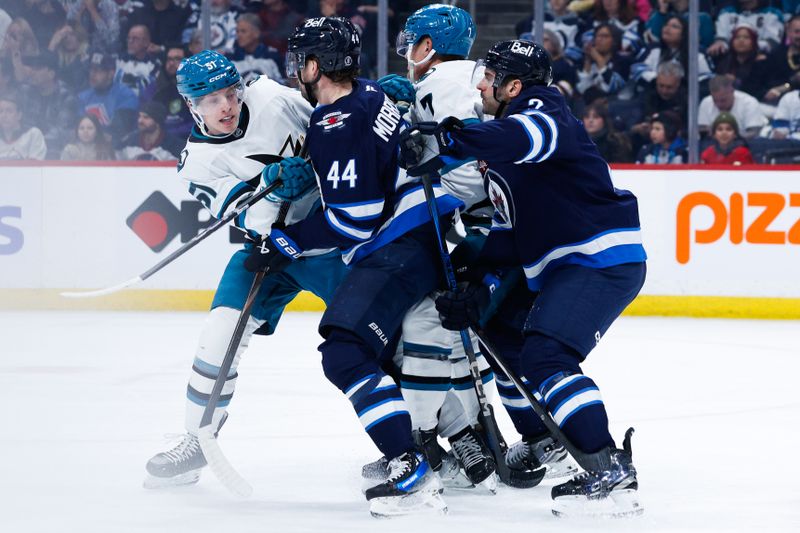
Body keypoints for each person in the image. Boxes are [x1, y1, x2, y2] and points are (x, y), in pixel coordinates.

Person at [400, 39, 647, 518]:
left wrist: (447, 139)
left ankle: (609, 470)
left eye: (490, 77)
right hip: (564, 266)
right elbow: (508, 229)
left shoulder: (542, 109)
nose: (480, 84)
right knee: (502, 334)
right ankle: (546, 441)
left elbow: (523, 136)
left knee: (548, 354)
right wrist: (477, 280)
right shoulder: (503, 139)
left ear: (514, 86)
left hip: (599, 260)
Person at [248, 17, 464, 516]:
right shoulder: (369, 95)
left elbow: (355, 219)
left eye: (301, 58)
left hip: (397, 246)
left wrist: (289, 241)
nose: (295, 66)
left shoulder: (336, 121)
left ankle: (410, 466)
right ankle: (444, 447)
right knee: (388, 352)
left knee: (344, 351)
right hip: (423, 234)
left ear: (317, 64)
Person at [143, 50, 348, 490]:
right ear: (191, 106)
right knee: (219, 334)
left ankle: (428, 438)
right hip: (269, 251)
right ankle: (197, 439)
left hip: (331, 240)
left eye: (230, 93)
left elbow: (333, 123)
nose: (226, 106)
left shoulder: (273, 97)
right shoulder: (196, 162)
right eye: (212, 100)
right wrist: (270, 186)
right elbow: (242, 214)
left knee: (380, 333)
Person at [377, 3, 499, 492]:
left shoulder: (445, 83)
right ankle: (470, 437)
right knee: (458, 335)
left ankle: (429, 438)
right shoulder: (465, 78)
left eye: (413, 41)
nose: (407, 50)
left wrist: (435, 174)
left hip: (470, 226)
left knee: (429, 327)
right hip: (482, 224)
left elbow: (469, 165)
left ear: (428, 46)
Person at [18, 51, 78, 159]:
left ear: (51, 74)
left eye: (38, 69)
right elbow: (20, 122)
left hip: (53, 152)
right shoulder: (26, 90)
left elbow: (61, 132)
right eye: (33, 68)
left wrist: (35, 143)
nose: (32, 72)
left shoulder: (67, 97)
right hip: (24, 149)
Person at [77, 51, 138, 143]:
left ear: (111, 73)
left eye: (98, 70)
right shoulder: (83, 97)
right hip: (88, 147)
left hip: (118, 150)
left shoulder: (125, 95)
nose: (92, 74)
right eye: (91, 69)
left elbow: (119, 132)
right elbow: (77, 127)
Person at [139, 44, 193, 140]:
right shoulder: (154, 88)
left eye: (177, 59)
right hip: (156, 140)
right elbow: (143, 113)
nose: (172, 63)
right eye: (169, 59)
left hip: (187, 141)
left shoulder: (197, 88)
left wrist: (169, 133)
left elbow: (200, 123)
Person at [698, 74, 767, 138]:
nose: (719, 104)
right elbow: (702, 129)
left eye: (723, 100)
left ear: (732, 91)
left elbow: (754, 133)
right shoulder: (706, 102)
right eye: (715, 101)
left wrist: (728, 137)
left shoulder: (749, 103)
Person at [227, 12, 285, 84]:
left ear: (256, 33)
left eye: (243, 31)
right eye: (237, 31)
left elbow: (284, 84)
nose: (238, 35)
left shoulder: (272, 55)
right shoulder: (230, 58)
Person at [116, 100, 183, 160]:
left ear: (157, 122)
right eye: (140, 116)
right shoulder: (129, 142)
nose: (140, 121)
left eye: (146, 117)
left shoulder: (174, 145)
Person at [116, 24, 162, 97]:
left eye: (135, 39)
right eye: (128, 38)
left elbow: (149, 91)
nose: (130, 41)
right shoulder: (119, 59)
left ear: (146, 42)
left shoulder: (155, 65)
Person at [0, 93, 46, 160]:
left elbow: (35, 166)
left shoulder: (33, 134)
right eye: (0, 111)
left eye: (9, 111)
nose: (4, 115)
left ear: (19, 115)